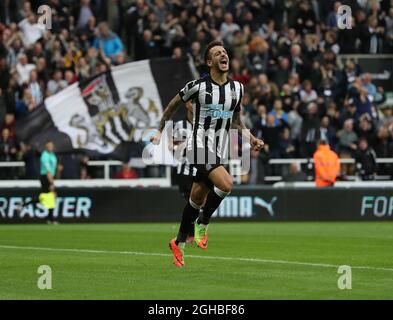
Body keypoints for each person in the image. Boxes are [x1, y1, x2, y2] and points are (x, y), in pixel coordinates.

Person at [150, 40, 264, 267]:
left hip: (218, 149)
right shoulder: (197, 86)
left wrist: (250, 138)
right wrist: (160, 130)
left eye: (224, 52)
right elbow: (173, 105)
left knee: (197, 198)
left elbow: (236, 121)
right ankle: (203, 222)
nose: (223, 55)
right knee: (226, 184)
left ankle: (179, 243)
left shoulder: (237, 89)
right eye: (217, 53)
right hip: (198, 146)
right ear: (209, 62)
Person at [19, 140, 58, 224]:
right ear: (46, 147)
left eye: (51, 146)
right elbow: (48, 171)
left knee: (46, 198)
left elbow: (53, 167)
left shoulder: (52, 155)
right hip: (45, 177)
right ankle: (50, 219)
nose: (50, 147)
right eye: (48, 146)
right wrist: (51, 183)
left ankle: (24, 204)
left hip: (50, 177)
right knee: (49, 197)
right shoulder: (45, 156)